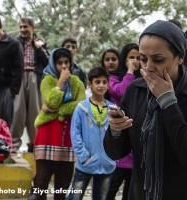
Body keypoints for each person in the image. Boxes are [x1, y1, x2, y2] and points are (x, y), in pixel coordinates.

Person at [104, 20, 187, 200]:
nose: (148, 67)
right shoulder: (136, 90)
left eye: (158, 59)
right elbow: (116, 152)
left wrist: (168, 102)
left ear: (179, 57)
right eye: (143, 58)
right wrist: (116, 130)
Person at [34, 47, 85, 200]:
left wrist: (57, 110)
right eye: (59, 63)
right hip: (46, 136)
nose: (64, 66)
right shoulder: (47, 80)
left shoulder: (77, 82)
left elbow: (80, 105)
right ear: (53, 64)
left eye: (66, 62)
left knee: (62, 186)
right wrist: (61, 82)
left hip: (68, 138)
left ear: (71, 63)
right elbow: (50, 100)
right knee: (41, 183)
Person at [67, 67, 116, 200]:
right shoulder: (82, 107)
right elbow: (75, 134)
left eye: (104, 82)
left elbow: (117, 136)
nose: (101, 85)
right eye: (97, 82)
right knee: (74, 197)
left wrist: (112, 158)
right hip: (85, 163)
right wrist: (83, 156)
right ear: (90, 84)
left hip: (107, 164)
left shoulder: (114, 109)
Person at [101, 45, 140, 200]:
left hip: (134, 141)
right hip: (119, 140)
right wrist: (130, 72)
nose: (135, 61)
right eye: (131, 57)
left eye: (138, 57)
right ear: (124, 59)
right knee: (110, 189)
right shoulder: (114, 78)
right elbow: (123, 92)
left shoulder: (143, 78)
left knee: (130, 191)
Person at [10, 17, 49, 152]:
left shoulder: (40, 43)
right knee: (17, 110)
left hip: (35, 78)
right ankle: (14, 143)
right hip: (19, 78)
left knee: (35, 111)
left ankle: (35, 143)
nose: (22, 30)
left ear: (33, 28)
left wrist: (40, 48)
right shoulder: (14, 43)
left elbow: (48, 63)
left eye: (25, 27)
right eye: (20, 27)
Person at [0, 12, 23, 127]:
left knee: (0, 128)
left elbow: (19, 70)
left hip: (3, 93)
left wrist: (11, 93)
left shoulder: (13, 44)